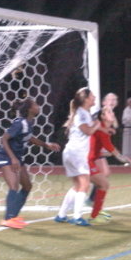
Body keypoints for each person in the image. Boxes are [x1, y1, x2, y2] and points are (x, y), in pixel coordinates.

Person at [0, 97, 61, 228]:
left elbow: (30, 138)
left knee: (27, 186)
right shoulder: (20, 123)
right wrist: (13, 158)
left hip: (17, 157)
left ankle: (13, 216)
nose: (38, 106)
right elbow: (4, 139)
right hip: (6, 156)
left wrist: (46, 145)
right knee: (14, 185)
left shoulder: (29, 123)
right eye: (35, 104)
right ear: (30, 109)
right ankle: (7, 219)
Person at [55, 87, 102, 226]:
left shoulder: (83, 113)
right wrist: (96, 125)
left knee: (77, 186)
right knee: (85, 184)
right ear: (86, 99)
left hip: (71, 152)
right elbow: (87, 131)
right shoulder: (81, 113)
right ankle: (77, 217)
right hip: (77, 153)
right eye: (92, 96)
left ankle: (61, 215)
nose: (94, 97)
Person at [88, 106, 131, 224]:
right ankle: (93, 214)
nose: (112, 113)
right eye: (109, 112)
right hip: (85, 161)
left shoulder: (103, 129)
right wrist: (126, 160)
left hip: (87, 160)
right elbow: (112, 150)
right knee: (102, 184)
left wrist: (117, 156)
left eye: (112, 111)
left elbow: (104, 150)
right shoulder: (101, 129)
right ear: (103, 117)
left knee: (98, 184)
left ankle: (94, 212)